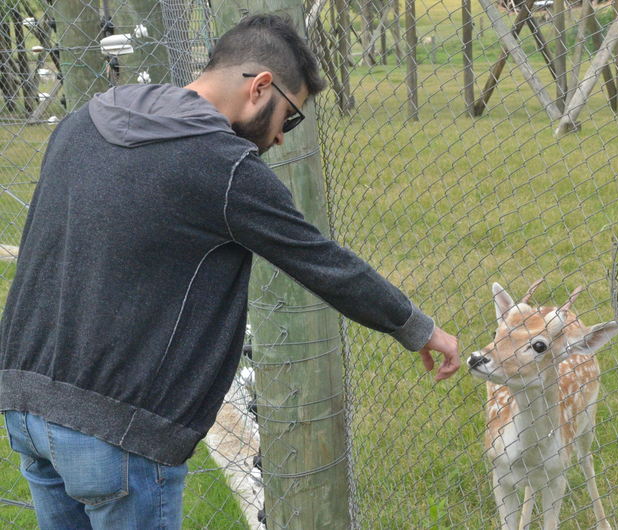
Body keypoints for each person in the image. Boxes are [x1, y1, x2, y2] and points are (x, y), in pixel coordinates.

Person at [0, 13, 459, 529]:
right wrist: (419, 328)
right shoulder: (223, 165)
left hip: (24, 403)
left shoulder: (82, 121)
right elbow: (324, 263)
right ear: (260, 87)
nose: (281, 138)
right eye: (290, 118)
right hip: (116, 431)